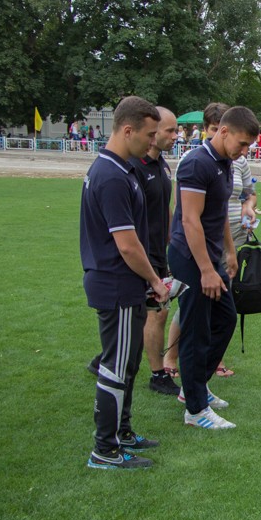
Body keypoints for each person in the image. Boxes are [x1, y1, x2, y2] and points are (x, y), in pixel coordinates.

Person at [79, 96, 167, 469]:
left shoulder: (121, 168)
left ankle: (123, 432)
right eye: (149, 134)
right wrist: (155, 281)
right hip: (116, 283)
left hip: (123, 284)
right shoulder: (112, 176)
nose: (153, 142)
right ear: (127, 130)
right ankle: (105, 449)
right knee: (116, 366)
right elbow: (127, 245)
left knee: (127, 364)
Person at [169, 106, 260, 430]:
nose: (245, 151)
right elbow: (189, 220)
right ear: (222, 131)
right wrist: (206, 270)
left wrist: (230, 252)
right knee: (196, 331)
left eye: (249, 145)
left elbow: (219, 213)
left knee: (225, 318)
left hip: (211, 256)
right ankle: (195, 410)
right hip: (190, 258)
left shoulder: (225, 163)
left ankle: (195, 386)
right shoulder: (197, 163)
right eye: (242, 143)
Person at [86, 107, 182, 395]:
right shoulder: (125, 170)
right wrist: (152, 276)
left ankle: (106, 358)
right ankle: (157, 373)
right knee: (154, 316)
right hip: (134, 258)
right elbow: (124, 235)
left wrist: (171, 239)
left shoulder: (161, 166)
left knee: (142, 321)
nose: (174, 136)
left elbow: (163, 206)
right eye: (167, 131)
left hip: (156, 250)